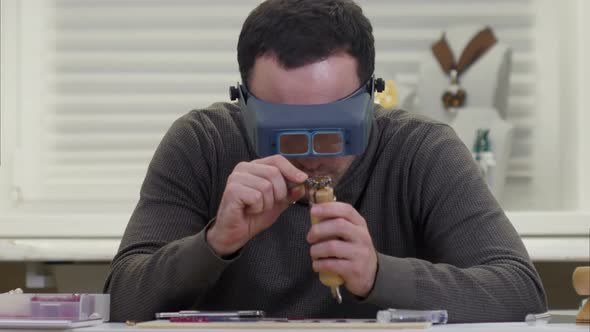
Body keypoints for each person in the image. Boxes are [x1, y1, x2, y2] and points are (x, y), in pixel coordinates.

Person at [104, 0, 546, 323]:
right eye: (283, 129)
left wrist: (378, 274)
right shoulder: (201, 144)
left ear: (372, 95)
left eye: (336, 126)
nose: (312, 152)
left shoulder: (422, 151)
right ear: (243, 102)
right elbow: (121, 301)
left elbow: (520, 292)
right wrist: (215, 243)